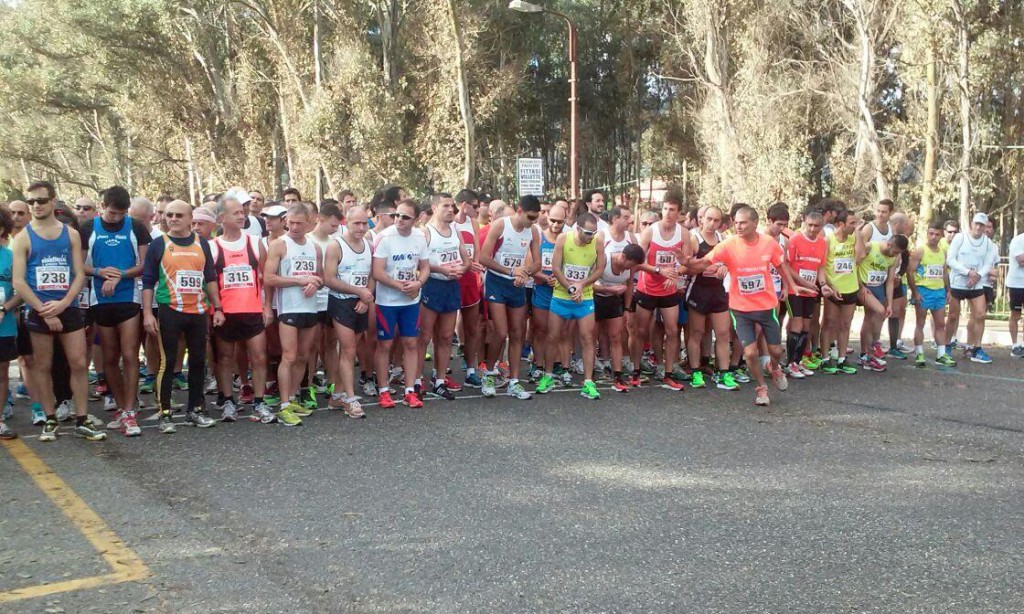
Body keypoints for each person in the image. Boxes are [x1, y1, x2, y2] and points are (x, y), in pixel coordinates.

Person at [686, 206, 812, 406]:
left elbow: (781, 266)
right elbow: (702, 264)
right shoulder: (728, 245)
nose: (738, 226)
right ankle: (761, 388)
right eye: (736, 222)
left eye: (743, 222)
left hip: (766, 306)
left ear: (755, 223)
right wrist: (686, 264)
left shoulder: (769, 244)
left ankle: (776, 367)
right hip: (740, 308)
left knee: (776, 350)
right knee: (750, 352)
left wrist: (792, 285)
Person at [12, 181, 106, 441]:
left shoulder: (71, 234)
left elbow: (78, 274)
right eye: (31, 202)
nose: (36, 206)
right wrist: (45, 311)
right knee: (43, 365)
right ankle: (50, 418)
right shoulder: (22, 238)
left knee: (77, 363)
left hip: (68, 307)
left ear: (53, 201)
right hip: (40, 310)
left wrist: (63, 304)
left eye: (41, 200)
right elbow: (19, 281)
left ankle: (82, 419)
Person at [142, 200, 223, 433]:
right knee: (168, 362)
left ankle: (195, 410)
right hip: (170, 310)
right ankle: (165, 413)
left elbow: (209, 278)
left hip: (197, 311)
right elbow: (148, 281)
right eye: (169, 215)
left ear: (190, 219)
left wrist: (217, 308)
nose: (173, 219)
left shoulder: (202, 244)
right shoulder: (159, 244)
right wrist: (148, 313)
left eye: (179, 215)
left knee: (198, 361)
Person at [81, 186, 150, 437]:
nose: (116, 218)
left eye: (121, 214)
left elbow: (144, 264)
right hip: (100, 298)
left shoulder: (136, 227)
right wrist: (101, 272)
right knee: (110, 357)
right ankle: (121, 406)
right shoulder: (89, 228)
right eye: (112, 213)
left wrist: (120, 275)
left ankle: (131, 410)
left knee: (130, 354)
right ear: (102, 207)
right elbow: (80, 264)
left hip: (127, 296)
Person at [210, 195, 274, 424]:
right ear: (221, 218)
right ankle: (228, 401)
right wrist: (216, 308)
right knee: (225, 358)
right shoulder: (213, 247)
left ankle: (259, 402)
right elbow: (209, 283)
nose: (241, 215)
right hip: (226, 313)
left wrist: (267, 307)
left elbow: (266, 278)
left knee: (259, 357)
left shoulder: (255, 243)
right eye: (235, 212)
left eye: (242, 212)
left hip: (252, 310)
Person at [535, 212, 606, 400]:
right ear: (578, 228)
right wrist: (570, 287)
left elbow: (599, 269)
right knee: (553, 336)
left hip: (585, 297)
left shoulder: (597, 242)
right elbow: (556, 267)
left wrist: (582, 285)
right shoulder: (563, 239)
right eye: (587, 233)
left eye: (594, 233)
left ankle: (588, 382)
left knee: (588, 338)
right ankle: (548, 376)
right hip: (561, 295)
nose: (591, 237)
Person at [265, 204, 324, 425]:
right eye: (291, 222)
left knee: (303, 356)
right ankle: (283, 405)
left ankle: (291, 398)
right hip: (289, 307)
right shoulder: (279, 245)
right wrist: (300, 281)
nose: (295, 227)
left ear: (309, 223)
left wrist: (315, 284)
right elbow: (269, 278)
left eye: (300, 223)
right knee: (288, 356)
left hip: (310, 307)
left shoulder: (315, 247)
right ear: (285, 221)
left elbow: (319, 277)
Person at [479, 195, 543, 400]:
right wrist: (510, 271)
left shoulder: (532, 231)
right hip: (497, 282)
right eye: (531, 217)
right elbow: (483, 257)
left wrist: (525, 273)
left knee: (518, 333)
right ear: (520, 211)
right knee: (500, 331)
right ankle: (489, 373)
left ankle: (514, 381)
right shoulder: (500, 226)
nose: (533, 221)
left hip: (517, 284)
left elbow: (538, 264)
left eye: (536, 217)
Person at [371, 199, 431, 409]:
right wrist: (399, 286)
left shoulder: (419, 237)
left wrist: (418, 283)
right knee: (385, 344)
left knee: (411, 343)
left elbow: (425, 267)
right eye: (397, 215)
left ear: (416, 219)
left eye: (405, 217)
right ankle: (384, 390)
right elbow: (377, 272)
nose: (399, 220)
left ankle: (409, 390)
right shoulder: (385, 237)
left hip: (410, 301)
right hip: (387, 301)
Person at [415, 194, 470, 401]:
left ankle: (439, 380)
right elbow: (420, 263)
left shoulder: (456, 230)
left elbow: (465, 258)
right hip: (432, 285)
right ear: (434, 207)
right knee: (424, 336)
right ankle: (417, 379)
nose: (450, 209)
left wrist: (460, 269)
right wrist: (442, 270)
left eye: (452, 206)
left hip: (451, 285)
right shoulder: (425, 232)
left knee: (446, 336)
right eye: (445, 206)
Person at [631, 191, 687, 391]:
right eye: (665, 208)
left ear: (680, 213)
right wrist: (658, 270)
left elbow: (686, 263)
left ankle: (668, 373)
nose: (668, 213)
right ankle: (636, 372)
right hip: (647, 288)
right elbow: (637, 261)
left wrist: (677, 272)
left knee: (672, 331)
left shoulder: (683, 233)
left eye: (672, 210)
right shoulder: (651, 231)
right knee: (640, 331)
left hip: (668, 290)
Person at [323, 205, 373, 418]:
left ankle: (337, 395)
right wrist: (358, 292)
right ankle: (350, 399)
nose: (361, 228)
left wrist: (366, 294)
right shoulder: (336, 246)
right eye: (356, 223)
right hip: (341, 302)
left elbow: (373, 275)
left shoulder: (369, 244)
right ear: (347, 223)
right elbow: (329, 279)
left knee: (351, 349)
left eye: (364, 223)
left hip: (361, 303)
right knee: (348, 350)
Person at [684, 205, 738, 391]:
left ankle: (723, 373)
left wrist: (725, 268)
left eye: (716, 220)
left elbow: (730, 262)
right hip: (698, 290)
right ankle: (696, 371)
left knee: (723, 333)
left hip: (717, 291)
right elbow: (686, 267)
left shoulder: (723, 240)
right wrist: (703, 268)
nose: (712, 223)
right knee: (697, 333)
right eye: (709, 219)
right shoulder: (694, 239)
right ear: (702, 219)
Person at [594, 206, 640, 392]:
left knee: (617, 335)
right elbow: (589, 277)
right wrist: (606, 288)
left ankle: (618, 373)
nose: (629, 221)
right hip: (597, 292)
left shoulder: (632, 238)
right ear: (613, 218)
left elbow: (630, 281)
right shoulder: (601, 237)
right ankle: (591, 373)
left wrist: (627, 308)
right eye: (626, 217)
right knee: (591, 335)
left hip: (616, 295)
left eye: (630, 217)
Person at [946, 212, 998, 364]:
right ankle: (946, 346)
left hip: (976, 284)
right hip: (957, 282)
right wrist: (968, 272)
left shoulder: (988, 243)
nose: (978, 227)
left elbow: (988, 263)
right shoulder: (960, 238)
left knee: (980, 314)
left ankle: (977, 348)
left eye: (982, 225)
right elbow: (950, 259)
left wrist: (977, 276)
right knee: (953, 316)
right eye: (976, 223)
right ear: (971, 224)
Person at [855, 232, 908, 372]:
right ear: (889, 244)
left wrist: (890, 303)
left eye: (899, 253)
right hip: (865, 287)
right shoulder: (870, 247)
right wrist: (860, 285)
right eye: (895, 251)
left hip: (879, 288)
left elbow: (890, 281)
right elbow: (855, 264)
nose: (895, 255)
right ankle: (870, 352)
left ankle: (865, 354)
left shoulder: (895, 257)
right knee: (879, 312)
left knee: (871, 318)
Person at [907, 221, 957, 367]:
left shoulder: (942, 252)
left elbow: (944, 273)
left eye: (937, 234)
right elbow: (910, 272)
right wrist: (915, 292)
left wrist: (948, 290)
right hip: (923, 291)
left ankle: (941, 354)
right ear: (927, 234)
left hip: (939, 291)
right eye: (931, 234)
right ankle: (919, 353)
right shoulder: (920, 251)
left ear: (941, 236)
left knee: (940, 324)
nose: (933, 237)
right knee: (920, 323)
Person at [784, 210, 827, 377]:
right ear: (804, 223)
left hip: (811, 290)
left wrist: (822, 284)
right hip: (795, 289)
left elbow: (821, 267)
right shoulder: (795, 240)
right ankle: (789, 363)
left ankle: (798, 361)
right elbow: (786, 266)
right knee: (797, 324)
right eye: (809, 225)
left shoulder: (822, 243)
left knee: (807, 326)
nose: (812, 229)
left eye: (816, 226)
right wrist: (803, 283)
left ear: (821, 227)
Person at [820, 208, 861, 375]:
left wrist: (858, 234)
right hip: (833, 287)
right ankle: (824, 358)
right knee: (829, 322)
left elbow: (860, 257)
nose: (855, 226)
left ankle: (842, 358)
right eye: (852, 223)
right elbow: (821, 265)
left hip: (850, 287)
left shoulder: (853, 239)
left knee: (845, 324)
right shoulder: (828, 240)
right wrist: (828, 285)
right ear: (840, 224)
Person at [453, 189, 486, 389]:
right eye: (474, 205)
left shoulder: (474, 224)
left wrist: (475, 266)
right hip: (453, 278)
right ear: (464, 205)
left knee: (472, 326)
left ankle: (471, 369)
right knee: (446, 331)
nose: (478, 209)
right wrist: (465, 264)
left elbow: (477, 252)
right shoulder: (450, 224)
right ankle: (439, 372)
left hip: (470, 279)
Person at [0, 205, 22, 439]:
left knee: (2, 372)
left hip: (4, 324)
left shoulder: (10, 256)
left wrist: (4, 307)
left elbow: (20, 291)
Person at [1009, 227, 1024, 358]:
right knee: (1016, 315)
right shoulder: (1018, 241)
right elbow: (1021, 261)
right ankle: (1015, 345)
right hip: (1017, 284)